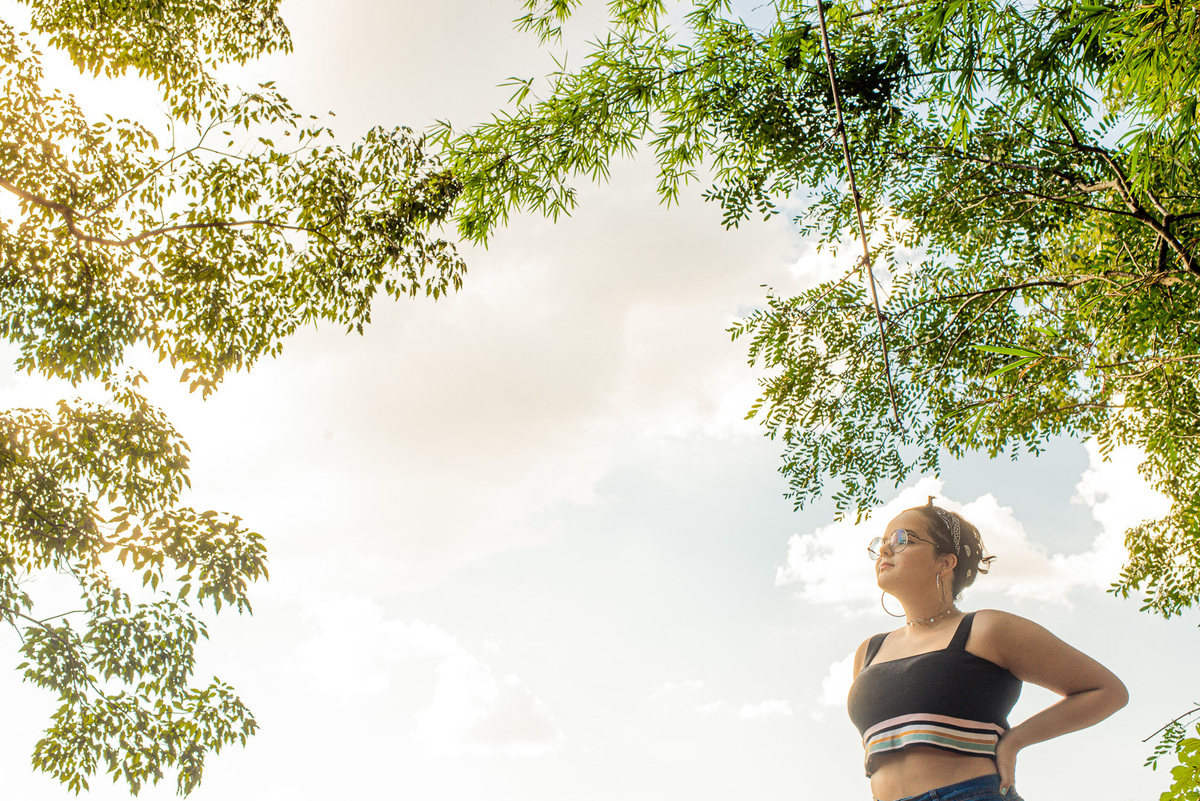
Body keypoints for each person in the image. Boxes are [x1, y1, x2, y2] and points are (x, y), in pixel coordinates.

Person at [846, 498, 1128, 801]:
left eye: (903, 539)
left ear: (945, 562)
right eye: (883, 542)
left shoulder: (985, 630)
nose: (885, 550)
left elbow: (1107, 691)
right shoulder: (869, 652)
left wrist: (1015, 740)